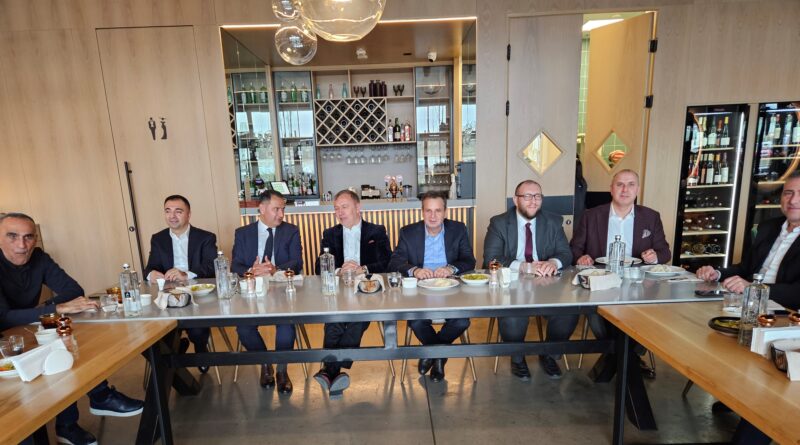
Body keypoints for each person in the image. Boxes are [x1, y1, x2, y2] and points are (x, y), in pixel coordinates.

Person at [0, 213, 144, 445]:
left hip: (24, 329)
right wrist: (54, 309)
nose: (22, 245)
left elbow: (74, 290)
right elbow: (3, 317)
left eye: (28, 237)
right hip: (4, 338)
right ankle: (97, 398)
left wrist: (46, 309)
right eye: (12, 236)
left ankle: (73, 420)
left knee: (66, 342)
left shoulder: (39, 257)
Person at [697, 172, 800, 445]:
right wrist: (718, 273)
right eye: (788, 193)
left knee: (768, 381)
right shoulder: (769, 227)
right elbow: (745, 269)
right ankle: (736, 394)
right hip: (751, 310)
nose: (793, 200)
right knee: (704, 340)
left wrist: (756, 289)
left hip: (788, 320)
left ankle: (753, 424)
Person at [570, 169, 671, 379]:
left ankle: (620, 357)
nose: (625, 189)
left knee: (651, 313)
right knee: (596, 313)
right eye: (620, 184)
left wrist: (655, 257)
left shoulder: (651, 216)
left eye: (631, 184)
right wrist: (581, 257)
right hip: (600, 280)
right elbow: (575, 248)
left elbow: (664, 252)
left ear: (637, 189)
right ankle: (627, 358)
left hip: (638, 283)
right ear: (611, 189)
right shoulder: (591, 215)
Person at [482, 180, 572, 380]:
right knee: (514, 314)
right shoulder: (499, 223)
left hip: (547, 284)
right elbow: (491, 258)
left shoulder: (553, 221)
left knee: (568, 312)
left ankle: (549, 354)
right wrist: (523, 266)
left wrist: (553, 263)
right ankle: (517, 357)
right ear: (516, 200)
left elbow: (566, 253)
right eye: (527, 196)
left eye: (537, 196)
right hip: (512, 285)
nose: (533, 201)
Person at [388, 192, 476, 382]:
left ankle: (432, 355)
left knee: (462, 321)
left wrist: (451, 268)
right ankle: (439, 357)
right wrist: (414, 270)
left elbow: (469, 260)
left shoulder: (458, 229)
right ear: (422, 212)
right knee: (416, 322)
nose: (433, 216)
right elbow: (394, 261)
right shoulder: (408, 232)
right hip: (420, 291)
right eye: (428, 211)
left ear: (445, 212)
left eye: (438, 211)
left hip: (451, 289)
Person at [313, 190, 391, 398]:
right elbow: (318, 267)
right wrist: (340, 270)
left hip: (368, 289)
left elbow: (388, 263)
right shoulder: (330, 234)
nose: (339, 212)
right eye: (336, 208)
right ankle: (334, 373)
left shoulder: (376, 231)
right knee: (334, 321)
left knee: (356, 321)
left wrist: (362, 269)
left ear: (358, 208)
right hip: (339, 289)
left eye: (344, 207)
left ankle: (330, 370)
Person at [231, 190, 302, 394]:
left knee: (286, 326)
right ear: (261, 209)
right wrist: (251, 270)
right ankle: (265, 364)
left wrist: (274, 269)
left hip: (281, 290)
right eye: (276, 209)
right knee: (244, 328)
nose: (281, 214)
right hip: (252, 291)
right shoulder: (243, 233)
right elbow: (235, 265)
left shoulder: (291, 231)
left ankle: (281, 370)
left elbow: (297, 263)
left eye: (283, 209)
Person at [144, 195, 217, 373]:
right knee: (157, 332)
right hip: (168, 295)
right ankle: (173, 357)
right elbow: (150, 267)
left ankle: (200, 349)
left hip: (197, 293)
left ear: (188, 214)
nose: (172, 216)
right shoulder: (158, 238)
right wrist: (151, 274)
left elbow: (211, 266)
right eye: (168, 211)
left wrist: (185, 274)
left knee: (197, 332)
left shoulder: (205, 237)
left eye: (178, 211)